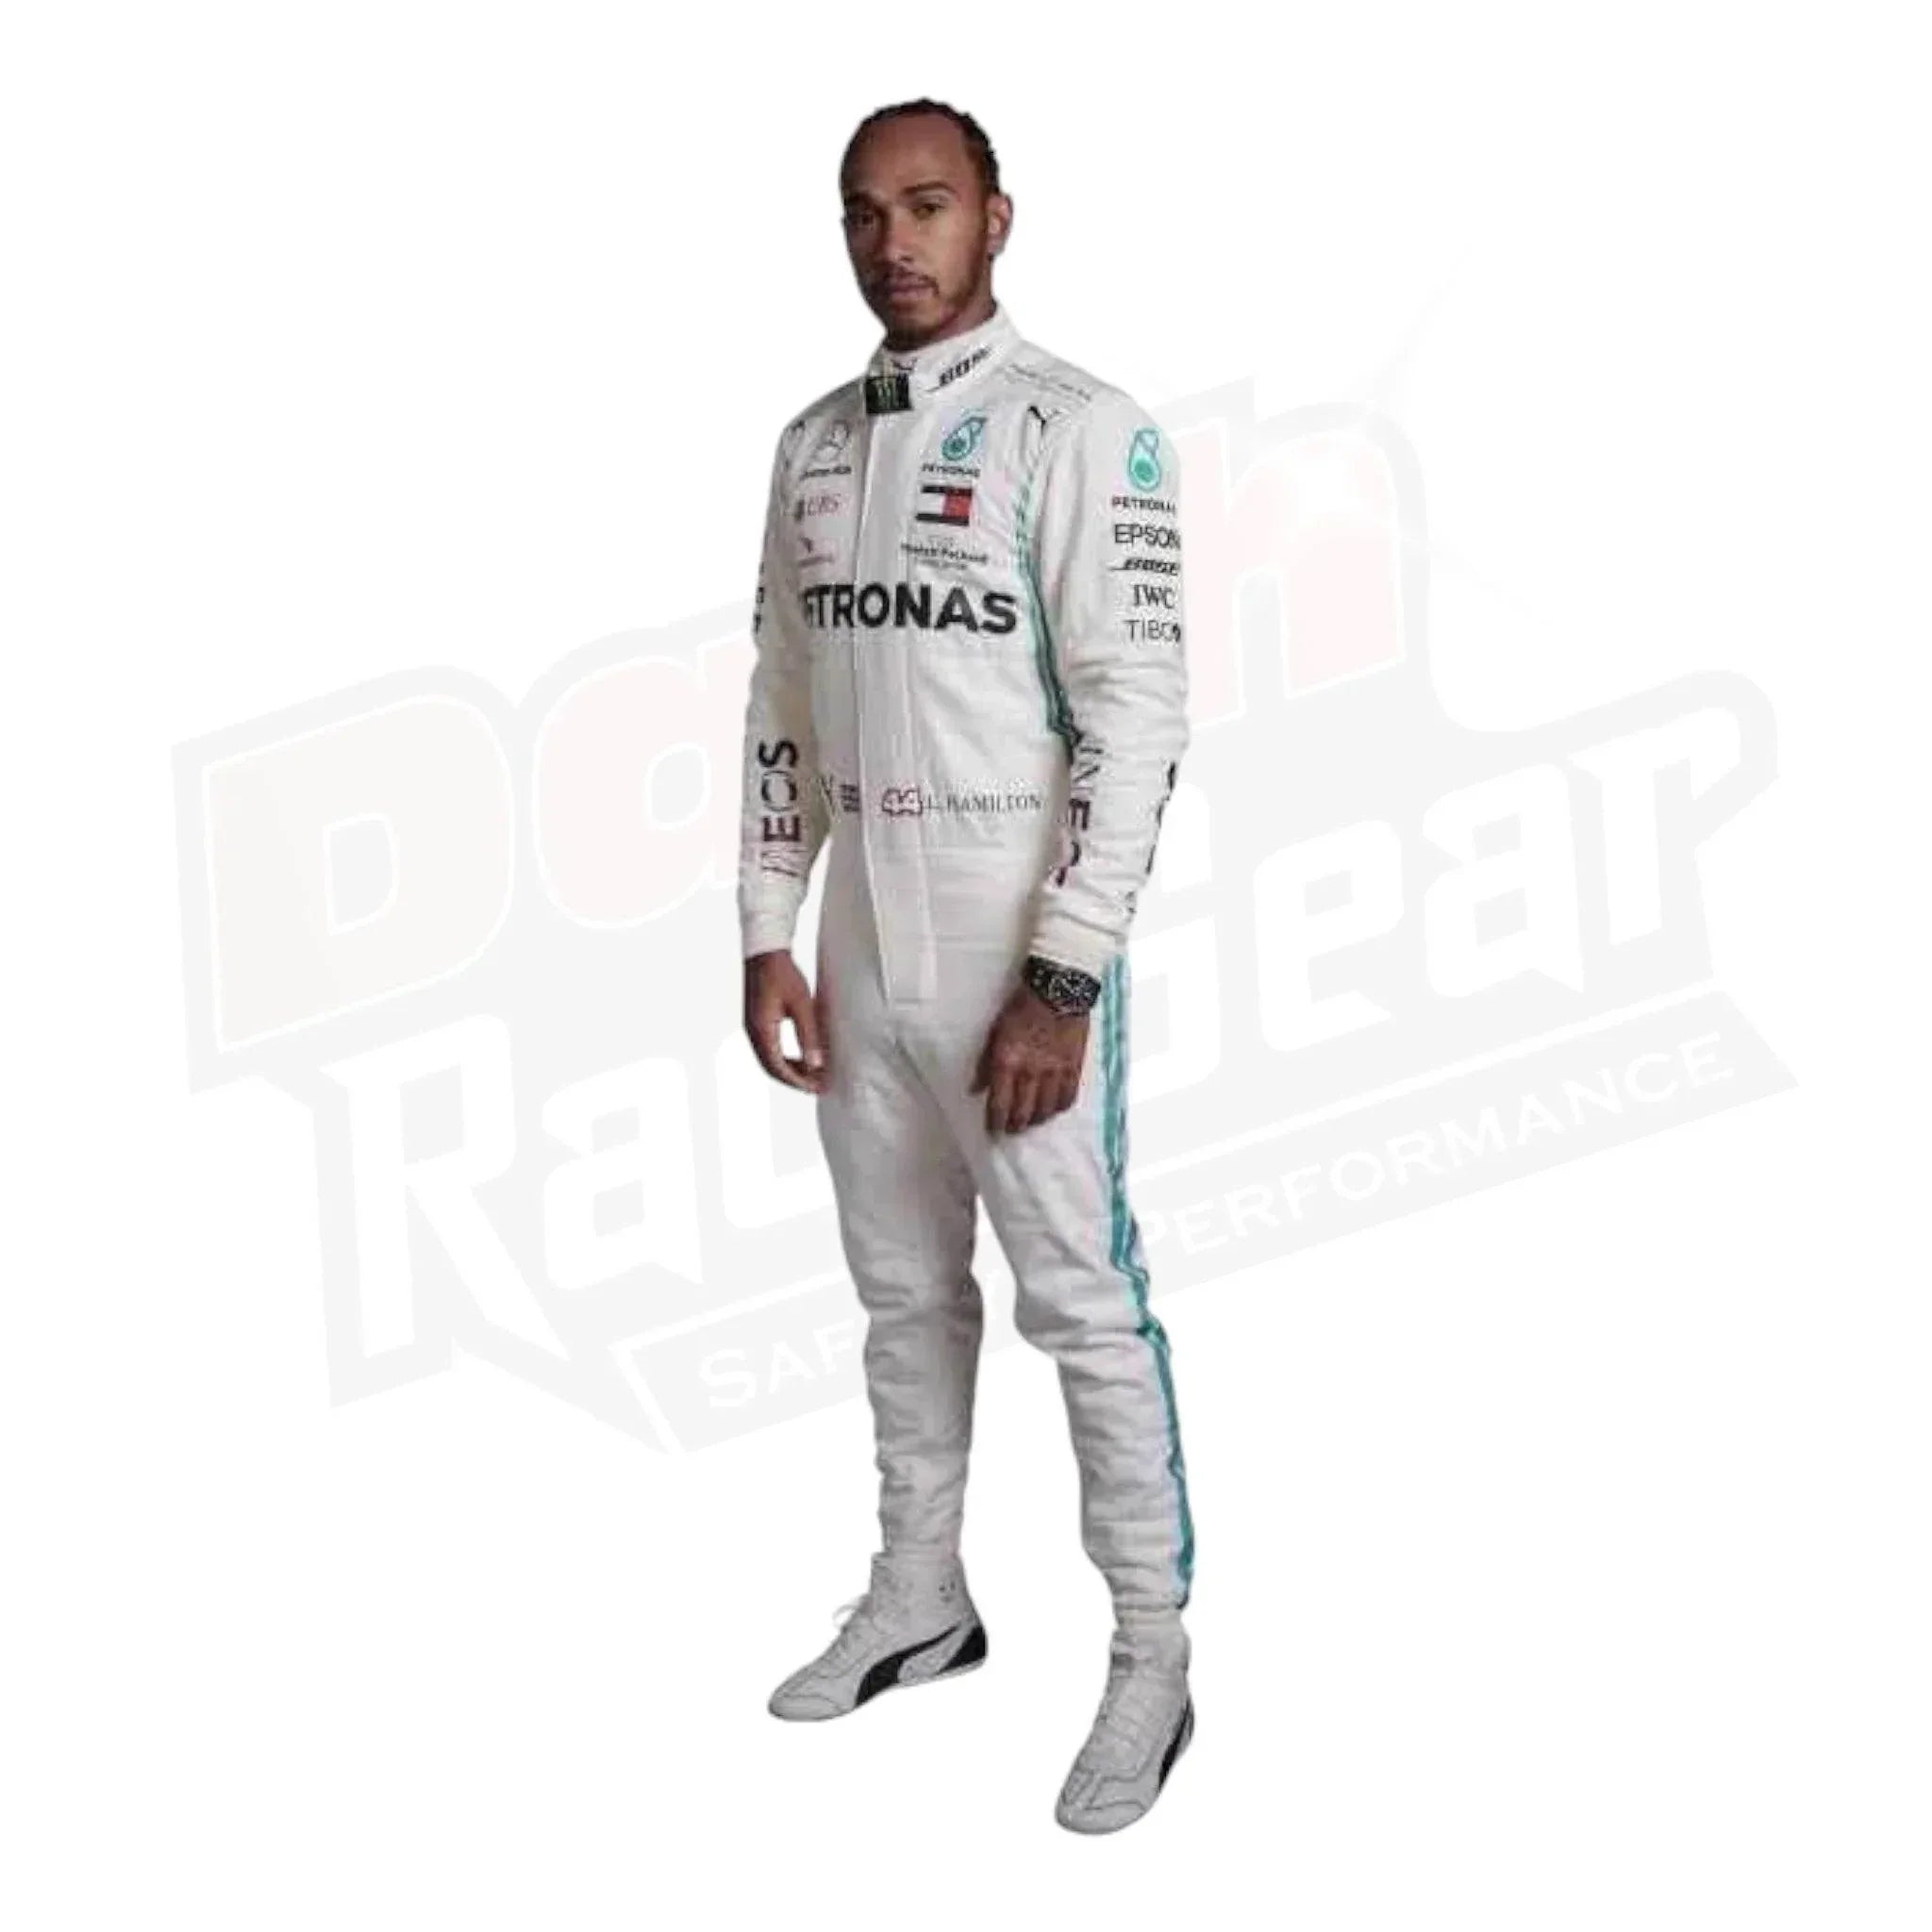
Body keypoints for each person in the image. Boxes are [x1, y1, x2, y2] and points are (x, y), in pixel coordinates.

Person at [737, 97, 1196, 1835]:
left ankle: (1151, 1652)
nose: (893, 242)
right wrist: (766, 923)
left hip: (1012, 953)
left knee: (1083, 1303)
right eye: (863, 213)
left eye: (926, 205)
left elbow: (1139, 720)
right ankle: (919, 1595)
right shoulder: (809, 445)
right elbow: (783, 697)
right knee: (901, 1295)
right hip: (863, 955)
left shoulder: (1081, 430)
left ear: (997, 216)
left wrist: (1064, 976)